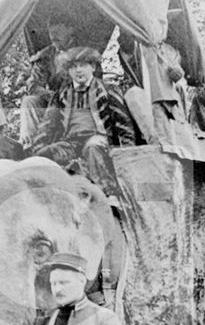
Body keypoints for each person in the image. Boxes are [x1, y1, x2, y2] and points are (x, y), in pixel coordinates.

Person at [29, 46, 135, 208]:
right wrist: (38, 150)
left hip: (99, 138)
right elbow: (47, 124)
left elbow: (123, 123)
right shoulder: (61, 94)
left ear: (92, 67)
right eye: (73, 67)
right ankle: (56, 198)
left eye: (83, 65)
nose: (78, 70)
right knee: (46, 155)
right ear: (68, 71)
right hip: (71, 142)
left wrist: (127, 152)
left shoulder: (108, 90)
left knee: (93, 147)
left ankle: (109, 194)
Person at [20, 14, 80, 148]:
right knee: (29, 101)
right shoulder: (47, 55)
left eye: (58, 31)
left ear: (71, 30)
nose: (53, 36)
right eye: (51, 32)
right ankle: (29, 148)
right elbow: (34, 85)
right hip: (53, 99)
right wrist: (51, 95)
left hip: (78, 100)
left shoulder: (84, 52)